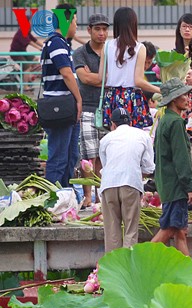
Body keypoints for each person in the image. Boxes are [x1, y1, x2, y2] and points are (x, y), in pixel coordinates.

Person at [150, 78, 192, 255]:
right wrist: (190, 187)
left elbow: (166, 156)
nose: (188, 99)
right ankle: (141, 260)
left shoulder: (164, 120)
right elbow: (180, 158)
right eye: (184, 95)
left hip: (166, 183)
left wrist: (191, 170)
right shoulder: (176, 123)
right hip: (176, 187)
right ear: (174, 99)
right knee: (170, 228)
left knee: (180, 231)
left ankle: (187, 274)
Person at [99, 108, 155, 252]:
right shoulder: (142, 135)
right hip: (131, 183)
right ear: (130, 122)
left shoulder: (106, 139)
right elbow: (149, 168)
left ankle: (113, 270)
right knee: (130, 230)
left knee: (112, 230)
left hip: (108, 185)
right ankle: (128, 268)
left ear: (113, 124)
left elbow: (106, 166)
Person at [40, 4, 82, 188]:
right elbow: (66, 73)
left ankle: (65, 194)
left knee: (71, 155)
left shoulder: (61, 43)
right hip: (60, 107)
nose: (76, 26)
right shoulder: (56, 42)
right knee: (58, 156)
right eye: (74, 21)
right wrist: (79, 99)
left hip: (66, 106)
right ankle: (53, 198)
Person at [98, 7, 160, 129]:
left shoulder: (107, 46)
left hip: (112, 97)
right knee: (133, 137)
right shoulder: (139, 48)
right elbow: (138, 81)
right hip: (132, 98)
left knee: (115, 137)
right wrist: (159, 89)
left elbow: (101, 77)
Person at [73, 13, 110, 208]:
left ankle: (101, 193)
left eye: (105, 29)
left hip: (107, 109)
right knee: (88, 155)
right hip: (87, 108)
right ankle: (89, 196)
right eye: (97, 29)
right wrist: (104, 77)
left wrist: (93, 76)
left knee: (104, 154)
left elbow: (96, 78)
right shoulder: (80, 53)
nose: (102, 33)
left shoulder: (111, 51)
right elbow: (84, 79)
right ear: (89, 30)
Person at [10, 22, 42, 90]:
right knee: (27, 68)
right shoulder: (21, 32)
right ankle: (25, 87)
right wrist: (39, 48)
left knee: (35, 59)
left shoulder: (27, 31)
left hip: (23, 52)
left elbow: (34, 40)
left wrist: (44, 45)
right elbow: (29, 42)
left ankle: (28, 76)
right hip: (15, 53)